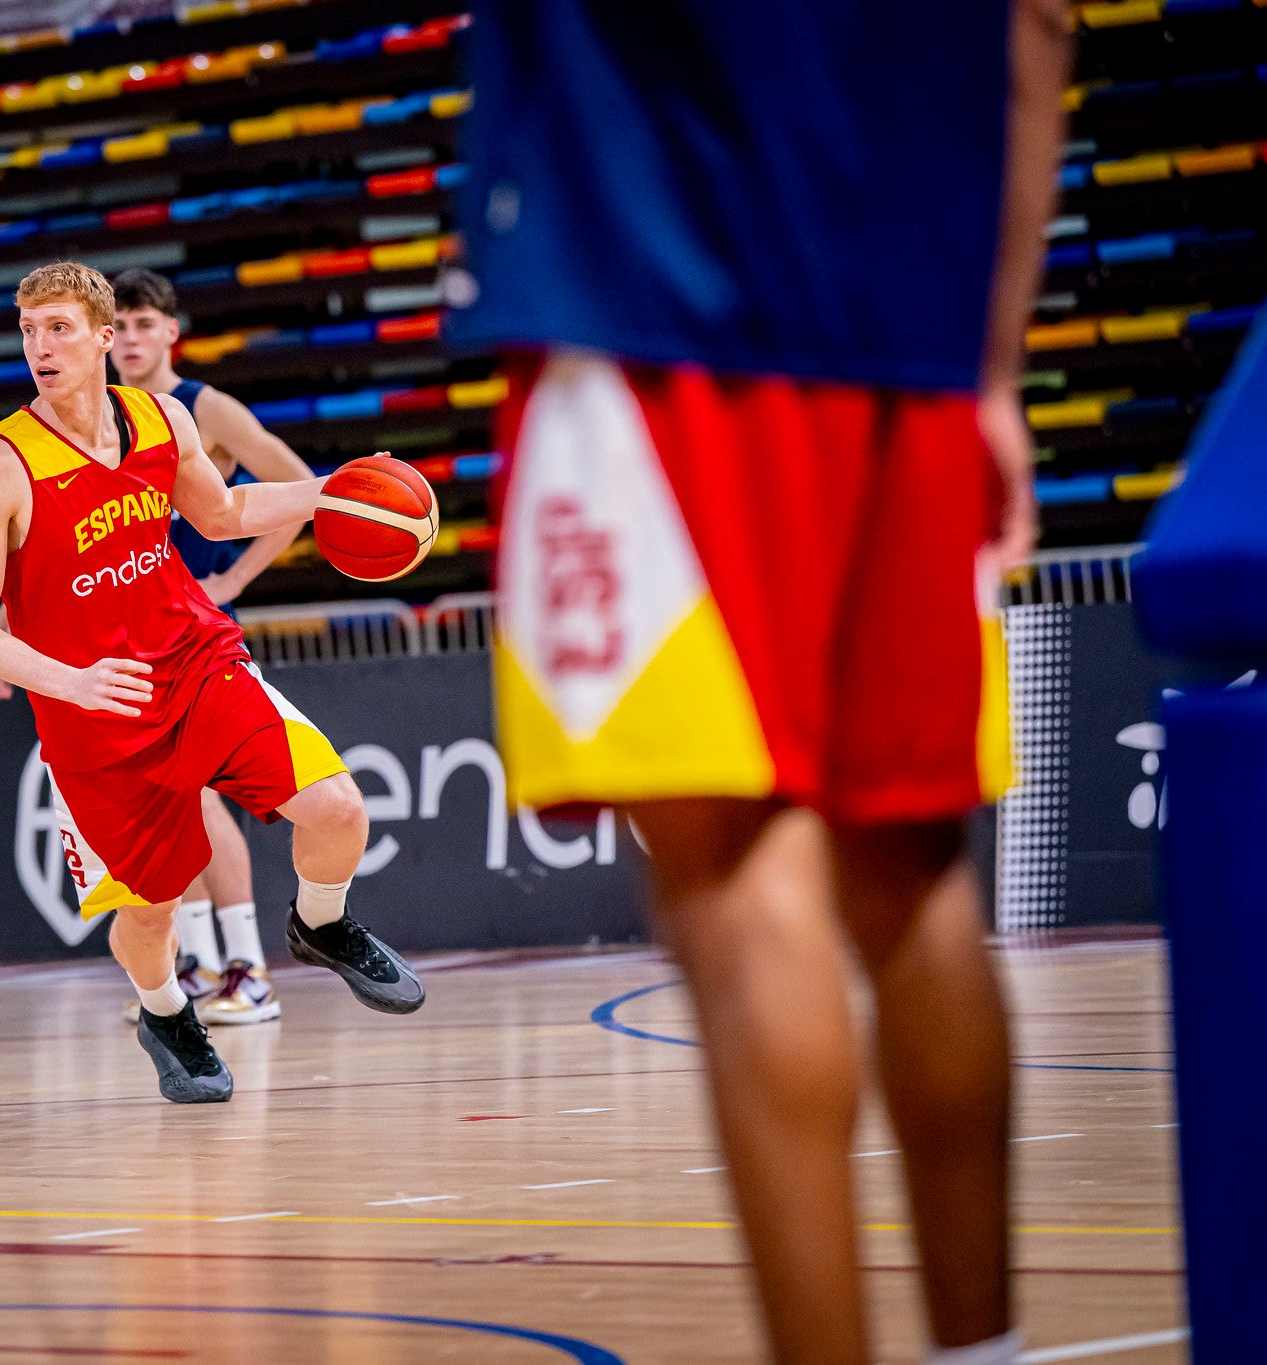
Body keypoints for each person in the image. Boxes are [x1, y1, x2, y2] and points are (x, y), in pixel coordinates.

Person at [452, 1, 1068, 1362]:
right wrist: (995, 372)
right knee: (913, 869)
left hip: (652, 299)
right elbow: (1041, 21)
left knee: (738, 890)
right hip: (913, 338)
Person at [0, 262, 423, 1104]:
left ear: (102, 337)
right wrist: (72, 682)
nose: (40, 347)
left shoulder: (163, 419)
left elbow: (224, 515)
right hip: (97, 712)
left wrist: (329, 493)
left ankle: (321, 925)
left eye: (59, 328)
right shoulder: (0, 464)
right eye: (28, 331)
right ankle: (167, 1013)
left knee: (341, 808)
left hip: (197, 660)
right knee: (153, 910)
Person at [0, 266, 315, 1026]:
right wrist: (2, 627)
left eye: (140, 325)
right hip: (109, 640)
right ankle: (194, 967)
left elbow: (282, 494)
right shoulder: (44, 437)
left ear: (167, 331)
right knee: (170, 826)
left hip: (188, 629)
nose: (129, 336)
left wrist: (233, 581)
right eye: (120, 323)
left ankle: (247, 965)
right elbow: (43, 548)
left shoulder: (195, 408)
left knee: (208, 805)